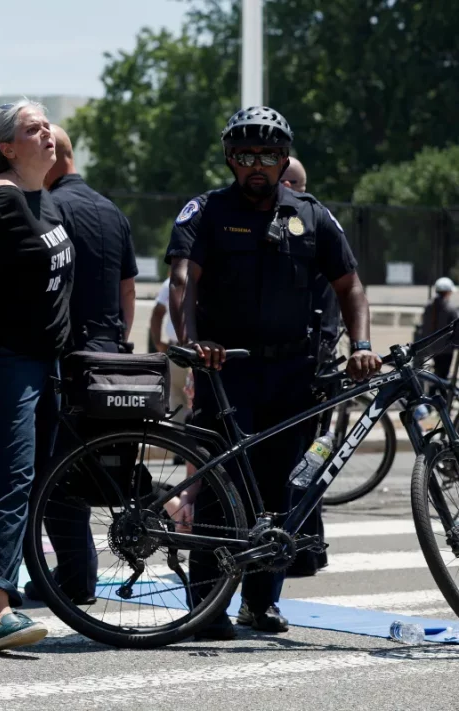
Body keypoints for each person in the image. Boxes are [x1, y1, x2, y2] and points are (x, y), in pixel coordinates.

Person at [167, 106, 381, 640]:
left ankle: (261, 604)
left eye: (266, 155)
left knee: (277, 492)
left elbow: (350, 285)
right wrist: (193, 342)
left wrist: (362, 345)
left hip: (293, 373)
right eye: (245, 155)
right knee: (220, 488)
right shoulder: (207, 211)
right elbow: (181, 280)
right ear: (230, 159)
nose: (255, 165)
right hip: (227, 370)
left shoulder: (313, 215)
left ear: (283, 158)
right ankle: (208, 609)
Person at [0, 100, 74, 651]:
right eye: (33, 128)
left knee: (33, 480)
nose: (47, 133)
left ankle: (7, 592)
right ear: (7, 146)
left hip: (46, 361)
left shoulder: (42, 198)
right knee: (12, 478)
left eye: (47, 124)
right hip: (8, 361)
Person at [20, 124, 136, 606]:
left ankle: (75, 577)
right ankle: (79, 573)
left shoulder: (51, 208)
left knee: (55, 474)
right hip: (111, 355)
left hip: (68, 356)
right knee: (96, 466)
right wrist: (118, 341)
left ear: (56, 158)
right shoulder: (112, 210)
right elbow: (128, 288)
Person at [281, 156, 333, 577]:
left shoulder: (313, 222)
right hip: (305, 362)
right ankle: (304, 547)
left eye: (290, 182)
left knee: (305, 463)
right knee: (301, 462)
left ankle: (305, 547)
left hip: (312, 366)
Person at [150, 276, 192, 421]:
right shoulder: (205, 279)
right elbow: (157, 313)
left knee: (177, 399)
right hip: (199, 350)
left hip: (177, 349)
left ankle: (181, 439)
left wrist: (158, 343)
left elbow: (157, 312)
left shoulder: (169, 283)